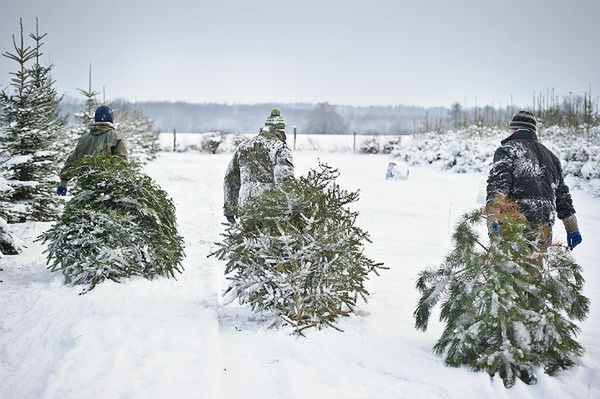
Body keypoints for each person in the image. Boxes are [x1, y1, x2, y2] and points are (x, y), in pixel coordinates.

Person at [486, 110, 582, 250]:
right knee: (535, 269)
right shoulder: (552, 157)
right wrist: (572, 228)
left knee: (508, 270)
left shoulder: (508, 150)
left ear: (514, 129)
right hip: (543, 228)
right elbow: (562, 196)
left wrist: (493, 217)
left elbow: (498, 187)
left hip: (515, 225)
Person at [223, 108, 294, 223]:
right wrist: (295, 205)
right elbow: (285, 181)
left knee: (250, 239)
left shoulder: (243, 146)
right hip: (270, 206)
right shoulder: (280, 148)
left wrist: (230, 208)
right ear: (280, 131)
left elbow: (230, 179)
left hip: (246, 203)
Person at [57, 105, 128, 196]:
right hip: (109, 187)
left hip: (86, 185)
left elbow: (73, 159)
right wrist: (122, 184)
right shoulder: (117, 137)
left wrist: (63, 183)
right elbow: (121, 162)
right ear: (111, 120)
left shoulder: (85, 138)